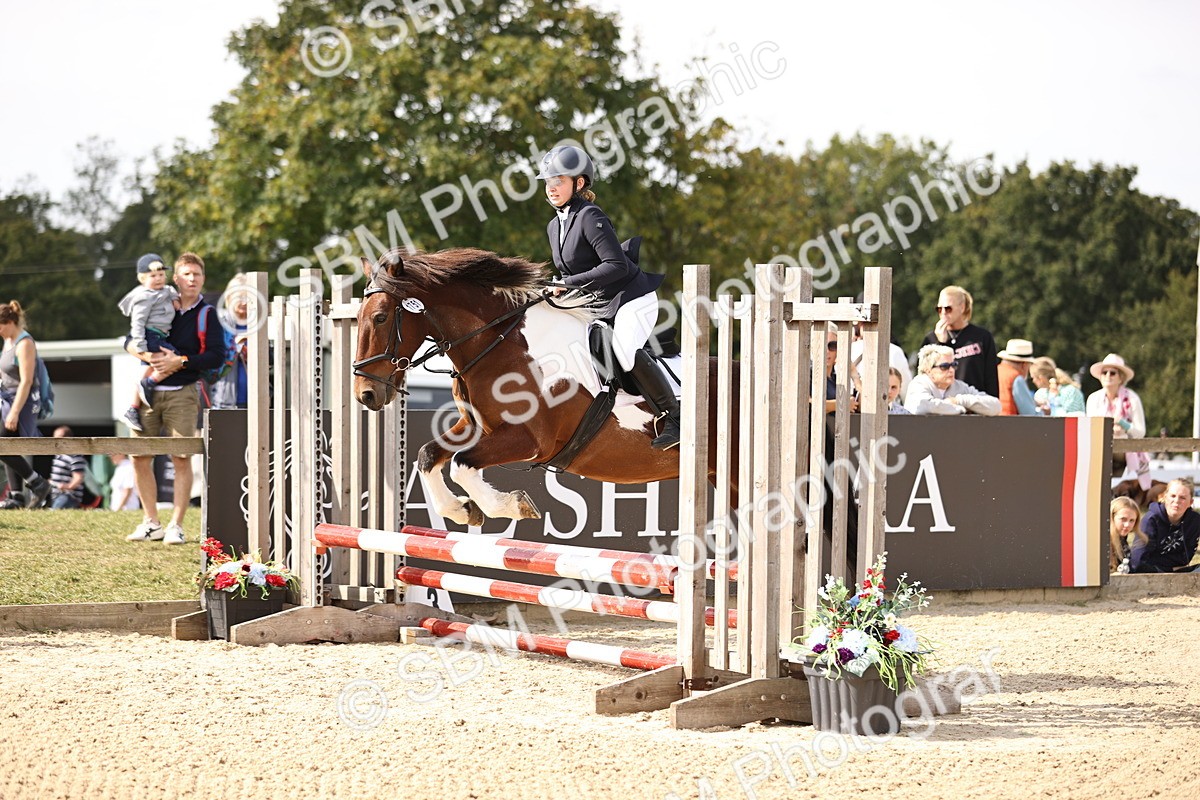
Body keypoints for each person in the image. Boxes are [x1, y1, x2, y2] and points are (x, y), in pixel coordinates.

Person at [536, 145, 679, 449]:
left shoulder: (590, 216)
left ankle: (674, 416)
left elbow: (614, 266)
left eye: (558, 181)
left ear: (579, 183)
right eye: (548, 182)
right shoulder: (554, 225)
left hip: (632, 299)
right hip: (601, 304)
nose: (551, 188)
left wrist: (567, 283)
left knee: (624, 351)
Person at [124, 252, 225, 545]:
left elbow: (216, 356)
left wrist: (179, 361)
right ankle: (150, 522)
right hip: (147, 393)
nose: (192, 279)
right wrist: (146, 355)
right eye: (187, 274)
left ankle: (176, 526)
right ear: (176, 278)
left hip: (183, 393)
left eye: (197, 274)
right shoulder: (156, 299)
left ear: (202, 279)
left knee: (181, 458)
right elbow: (129, 339)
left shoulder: (208, 314)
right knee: (139, 457)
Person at [118, 253, 181, 432]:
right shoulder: (144, 297)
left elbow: (170, 290)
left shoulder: (165, 290)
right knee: (176, 359)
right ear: (142, 279)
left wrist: (175, 299)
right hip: (150, 335)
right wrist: (141, 345)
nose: (158, 279)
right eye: (153, 276)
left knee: (147, 368)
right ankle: (150, 383)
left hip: (159, 334)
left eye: (161, 275)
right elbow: (137, 323)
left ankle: (133, 408)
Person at [0, 300, 52, 509]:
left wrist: (14, 412)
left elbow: (26, 381)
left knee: (2, 443)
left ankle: (37, 482)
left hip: (22, 401)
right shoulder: (8, 342)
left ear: (10, 322)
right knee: (8, 446)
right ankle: (16, 496)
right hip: (6, 398)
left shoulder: (25, 343)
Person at [1085, 353, 1150, 491]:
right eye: (1104, 372)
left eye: (1112, 373)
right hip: (1100, 448)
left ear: (1121, 377)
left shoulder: (1132, 399)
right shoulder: (1093, 399)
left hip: (1125, 451)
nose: (1108, 376)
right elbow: (1090, 428)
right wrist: (1109, 430)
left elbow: (1140, 432)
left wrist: (1123, 425)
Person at [921, 285, 999, 398]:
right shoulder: (931, 339)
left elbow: (991, 378)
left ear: (962, 308)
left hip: (975, 406)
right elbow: (925, 377)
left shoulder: (982, 337)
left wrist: (993, 406)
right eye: (939, 309)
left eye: (948, 309)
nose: (943, 313)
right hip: (941, 406)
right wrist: (941, 344)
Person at [905, 344, 1001, 416]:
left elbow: (995, 406)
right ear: (928, 370)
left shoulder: (960, 386)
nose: (951, 370)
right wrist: (961, 410)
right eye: (944, 366)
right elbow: (924, 406)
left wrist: (960, 400)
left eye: (954, 365)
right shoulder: (918, 384)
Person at [1131, 479, 1199, 573]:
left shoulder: (1194, 521)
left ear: (1190, 502)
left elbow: (1185, 559)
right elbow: (1138, 562)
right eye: (1173, 496)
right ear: (1165, 497)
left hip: (1179, 572)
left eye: (1182, 498)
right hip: (1150, 575)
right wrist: (1170, 568)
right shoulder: (1150, 520)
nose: (1176, 501)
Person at [208, 273, 251, 409]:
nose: (244, 302)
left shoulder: (259, 324)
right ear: (229, 297)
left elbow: (271, 360)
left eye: (248, 297)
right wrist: (238, 346)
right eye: (239, 296)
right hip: (224, 400)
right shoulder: (218, 321)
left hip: (256, 400)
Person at [46, 425, 87, 510]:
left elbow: (78, 477)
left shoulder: (75, 456)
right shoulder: (59, 456)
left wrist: (67, 486)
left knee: (55, 514)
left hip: (68, 496)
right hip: (55, 495)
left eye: (58, 438)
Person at [996, 338, 1038, 415]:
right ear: (1024, 365)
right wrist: (1044, 412)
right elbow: (1029, 413)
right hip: (1010, 424)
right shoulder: (1016, 378)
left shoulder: (995, 371)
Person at [1109, 496, 1144, 574]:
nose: (1127, 524)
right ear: (1112, 517)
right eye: (1123, 519)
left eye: (1132, 520)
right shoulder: (1102, 543)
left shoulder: (1123, 540)